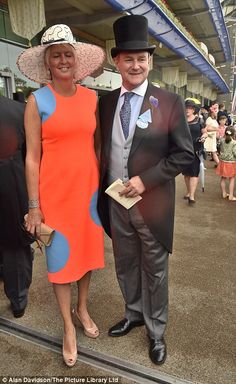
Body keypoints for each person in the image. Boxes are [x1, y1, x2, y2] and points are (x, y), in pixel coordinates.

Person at [98, 15, 194, 365]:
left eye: (142, 58)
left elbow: (184, 154)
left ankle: (156, 330)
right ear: (116, 60)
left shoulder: (167, 102)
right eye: (128, 58)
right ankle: (134, 313)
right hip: (115, 201)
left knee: (154, 269)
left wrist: (145, 179)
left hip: (151, 204)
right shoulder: (106, 103)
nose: (135, 64)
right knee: (124, 263)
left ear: (150, 62)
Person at [17, 24, 105, 367]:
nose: (64, 60)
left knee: (86, 256)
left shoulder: (92, 98)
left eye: (68, 54)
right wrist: (34, 207)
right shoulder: (37, 101)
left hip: (88, 193)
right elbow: (32, 157)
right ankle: (68, 326)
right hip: (54, 195)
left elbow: (95, 145)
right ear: (48, 63)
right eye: (57, 56)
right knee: (59, 262)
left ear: (76, 60)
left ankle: (83, 308)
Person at [0, 95, 33, 318]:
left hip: (12, 188)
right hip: (12, 189)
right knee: (15, 248)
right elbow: (30, 157)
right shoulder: (18, 111)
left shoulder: (19, 110)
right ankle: (18, 299)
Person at [182, 99, 208, 204]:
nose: (187, 110)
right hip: (183, 150)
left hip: (196, 150)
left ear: (193, 110)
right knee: (186, 173)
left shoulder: (199, 120)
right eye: (186, 108)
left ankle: (191, 196)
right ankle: (189, 191)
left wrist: (203, 137)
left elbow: (205, 132)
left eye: (190, 108)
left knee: (194, 173)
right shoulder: (181, 120)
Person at [215, 126, 236, 201]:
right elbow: (235, 153)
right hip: (231, 163)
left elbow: (218, 147)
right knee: (232, 179)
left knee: (223, 178)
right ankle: (230, 195)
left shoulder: (222, 140)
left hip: (222, 162)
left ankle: (224, 193)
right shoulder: (234, 143)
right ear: (234, 134)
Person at [204, 101, 219, 166]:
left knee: (213, 152)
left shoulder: (214, 119)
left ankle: (218, 164)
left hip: (212, 138)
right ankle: (219, 165)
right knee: (213, 152)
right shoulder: (209, 119)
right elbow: (206, 128)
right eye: (215, 111)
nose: (216, 113)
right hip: (209, 138)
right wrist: (216, 129)